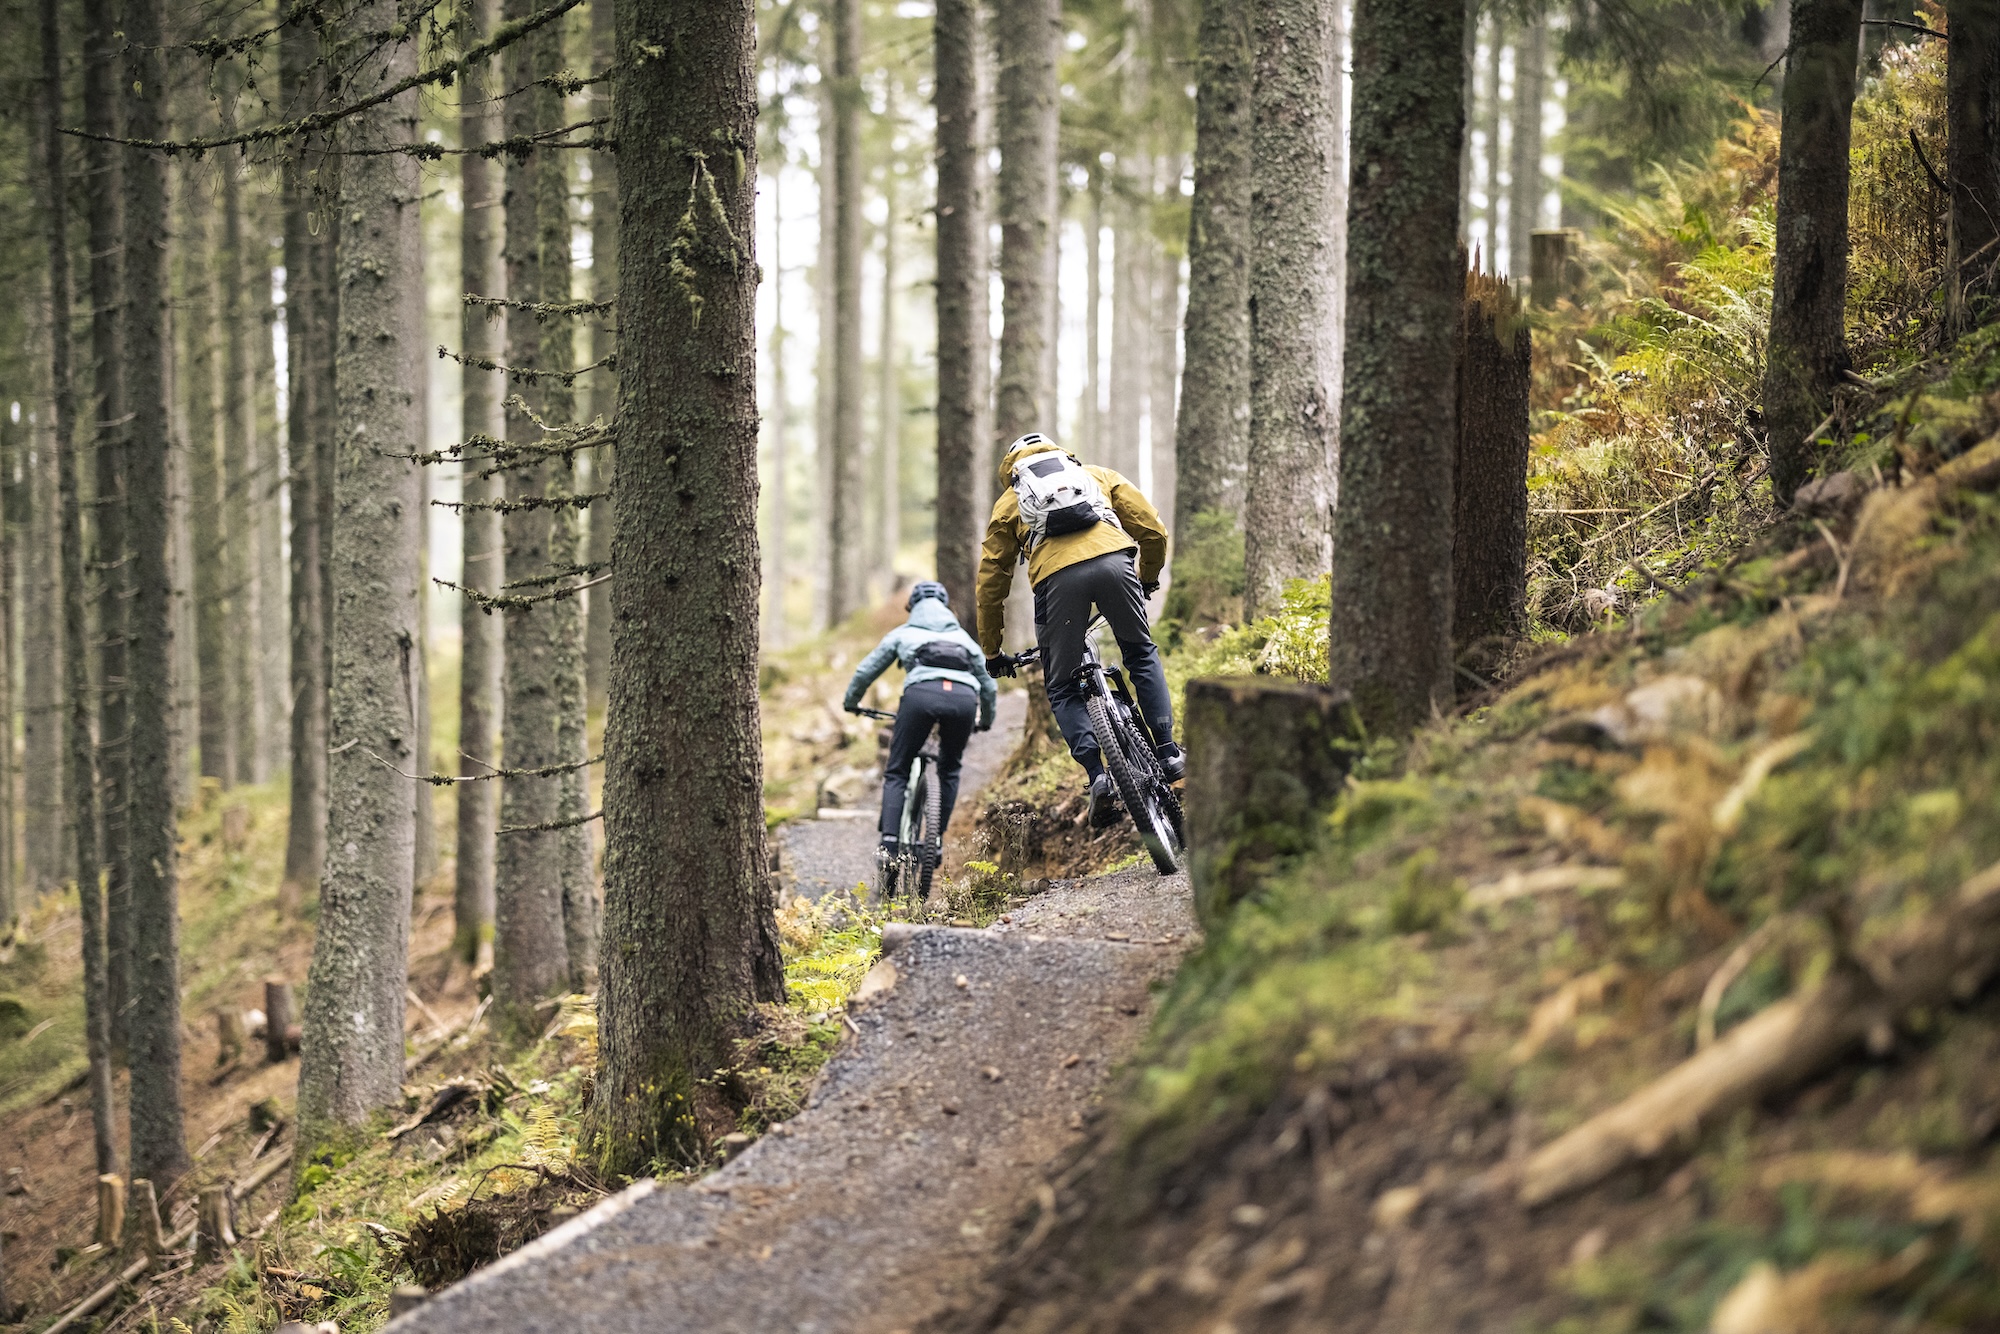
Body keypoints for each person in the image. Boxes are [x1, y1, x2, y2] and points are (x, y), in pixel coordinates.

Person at [975, 432, 1181, 828]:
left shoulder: (1008, 504)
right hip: (1114, 564)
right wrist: (1148, 577)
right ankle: (1169, 753)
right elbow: (1152, 528)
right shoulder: (1095, 475)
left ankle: (1098, 776)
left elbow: (991, 583)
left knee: (1063, 685)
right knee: (1139, 652)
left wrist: (992, 650)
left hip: (1057, 583)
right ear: (1061, 455)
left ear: (1011, 471)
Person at [843, 581, 998, 865]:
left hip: (920, 697)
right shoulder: (964, 640)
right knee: (949, 769)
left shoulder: (904, 632)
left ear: (912, 608)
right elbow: (989, 687)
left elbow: (866, 669)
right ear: (945, 608)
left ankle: (889, 844)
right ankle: (935, 843)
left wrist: (852, 701)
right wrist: (985, 720)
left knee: (898, 770)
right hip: (963, 701)